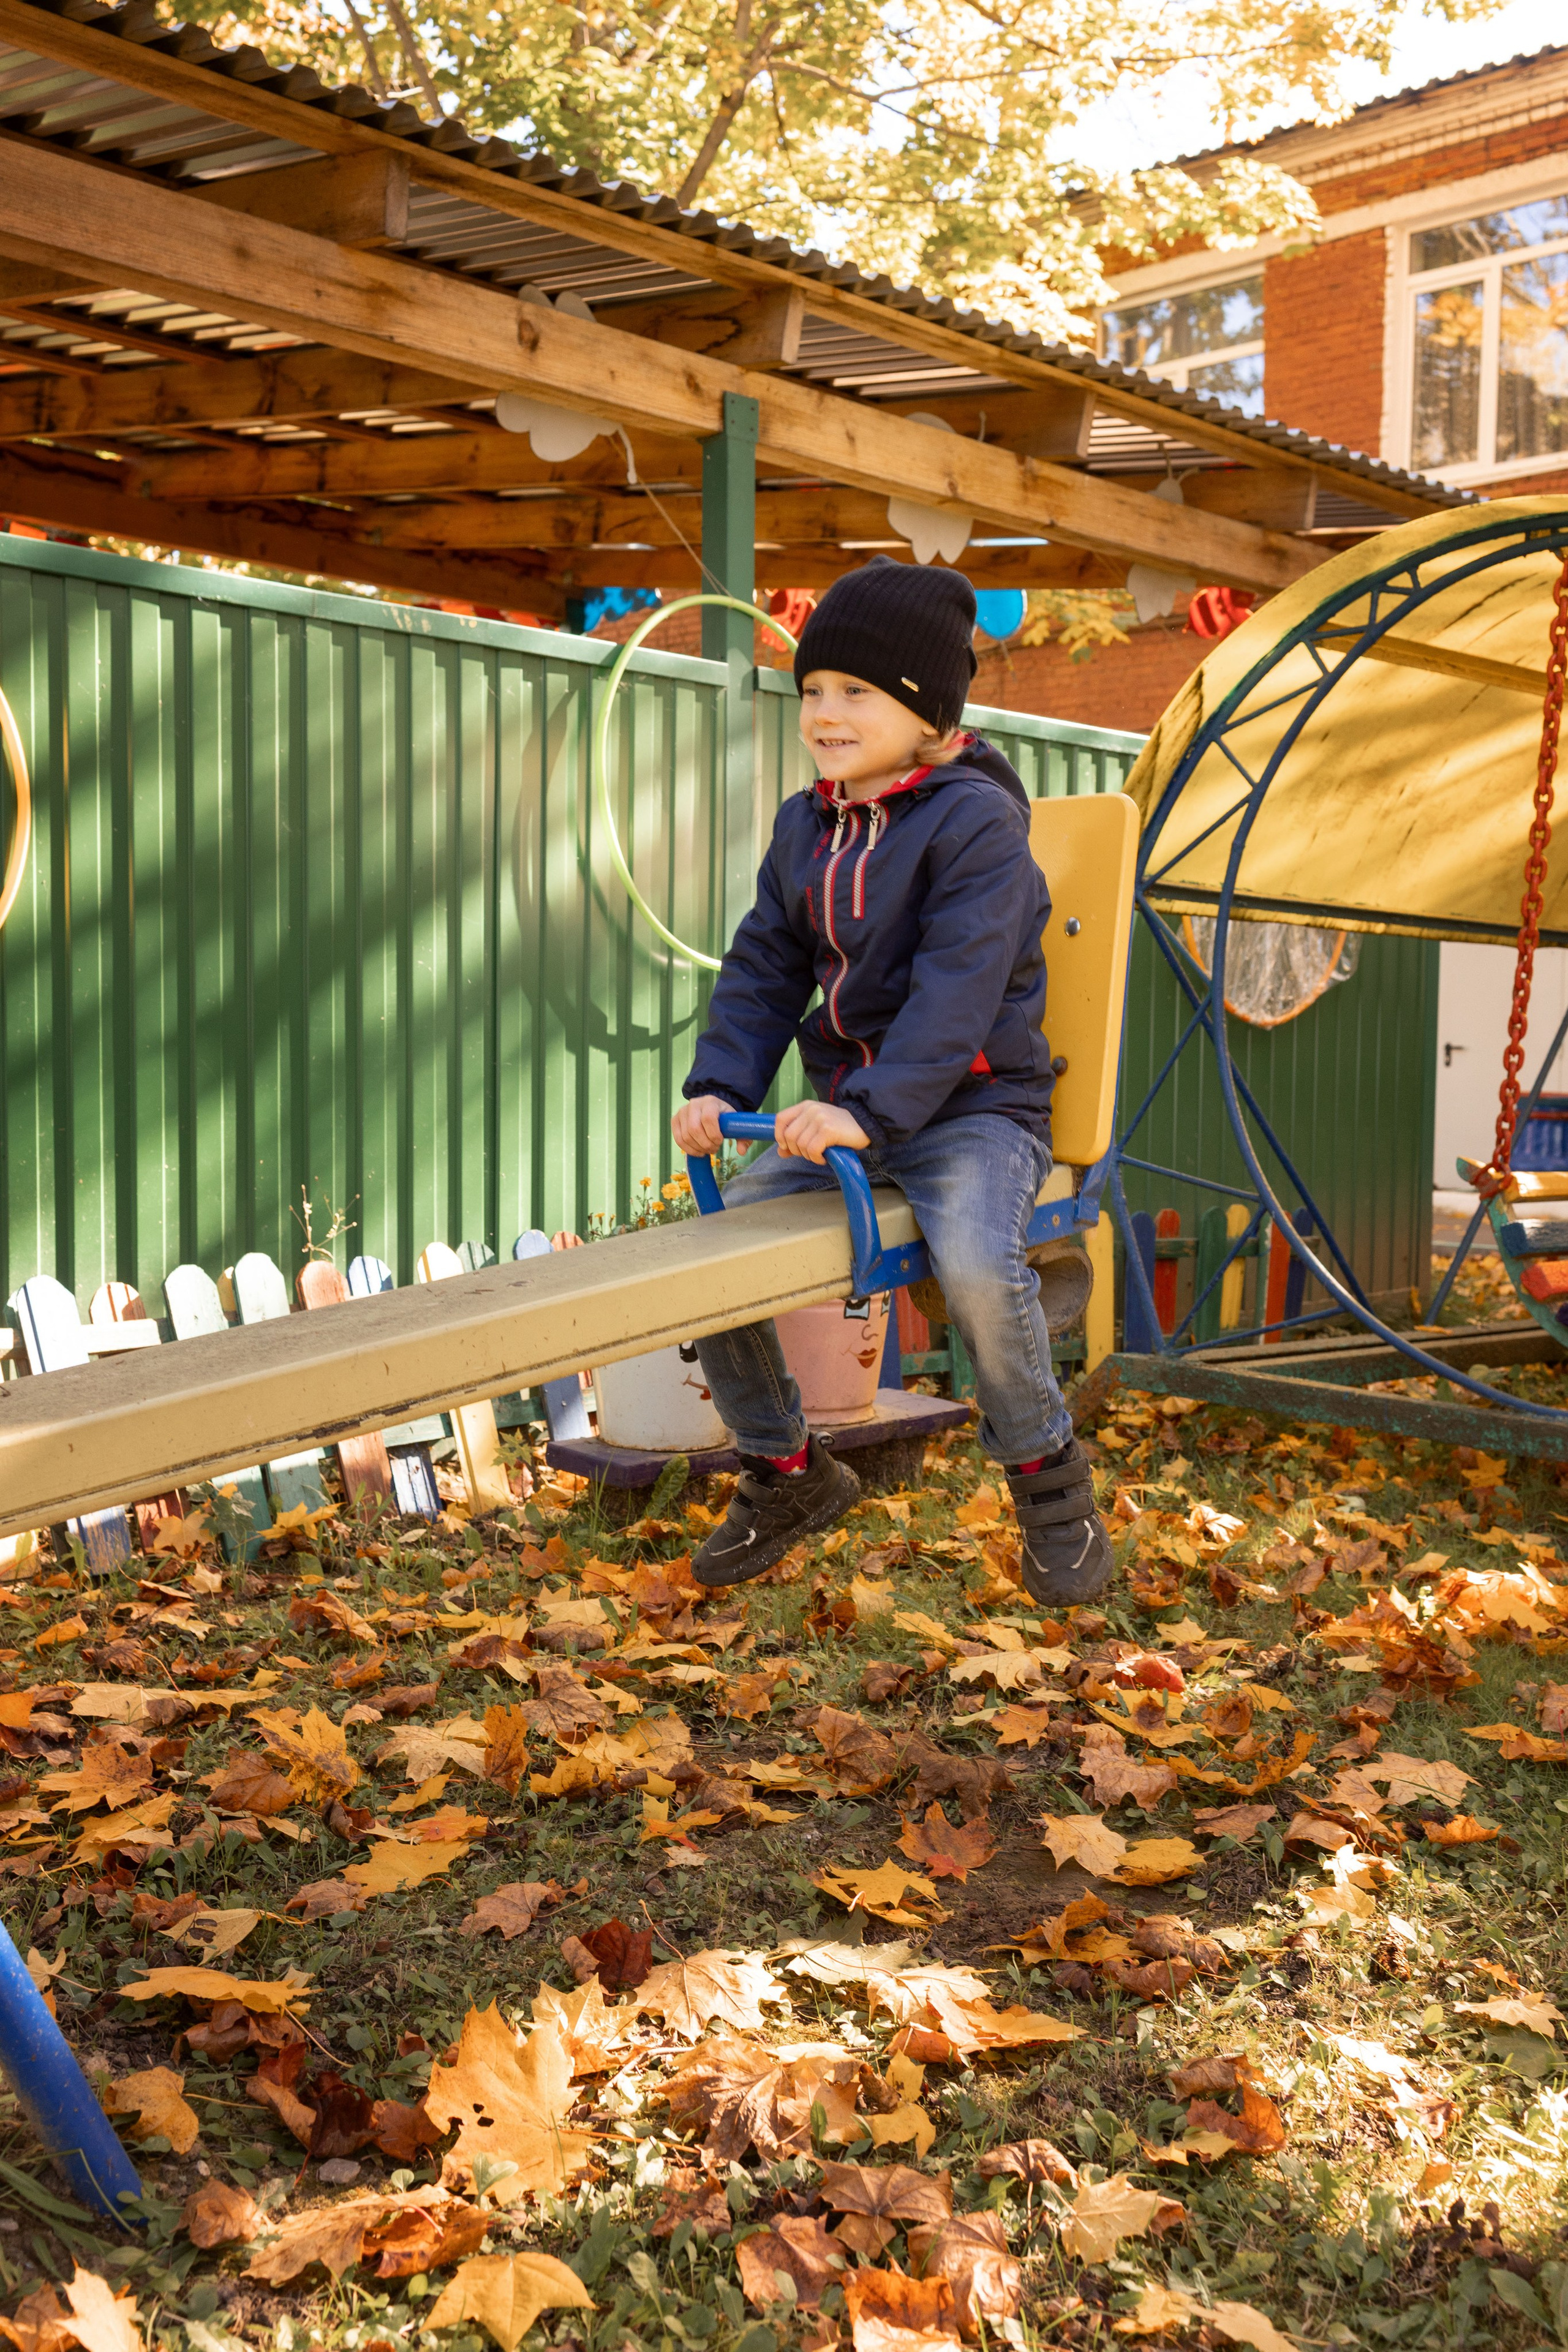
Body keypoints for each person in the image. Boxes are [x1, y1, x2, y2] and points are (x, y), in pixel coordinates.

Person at [669, 556, 1112, 1604]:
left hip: (975, 1112)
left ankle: (1051, 1482)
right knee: (707, 1259)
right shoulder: (806, 825)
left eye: (855, 692)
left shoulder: (977, 828)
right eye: (812, 689)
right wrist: (721, 1087)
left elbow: (957, 998)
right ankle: (784, 1472)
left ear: (928, 713)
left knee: (973, 1265)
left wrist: (865, 1111)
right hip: (853, 1116)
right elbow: (764, 967)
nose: (823, 712)